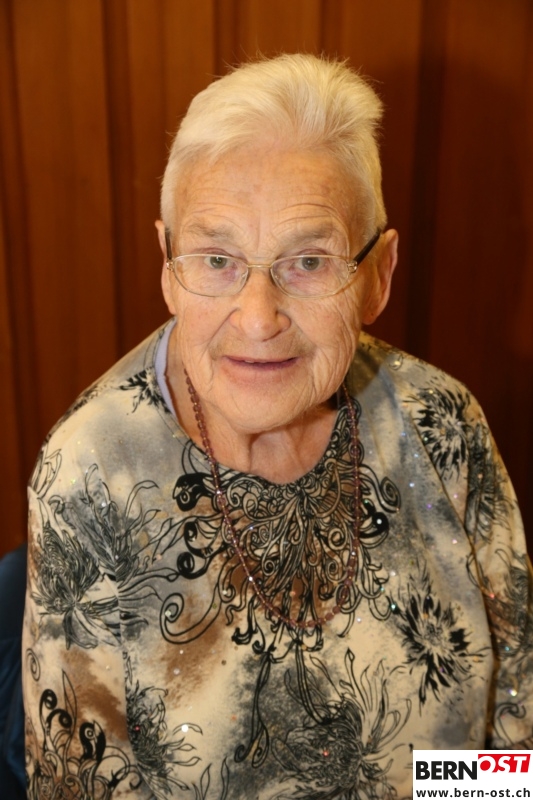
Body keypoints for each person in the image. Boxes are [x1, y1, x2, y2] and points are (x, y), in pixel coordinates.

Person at [23, 53, 532, 800]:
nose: (258, 317)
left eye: (308, 262)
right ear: (167, 265)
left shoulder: (442, 424)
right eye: (217, 258)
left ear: (377, 275)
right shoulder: (91, 469)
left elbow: (515, 726)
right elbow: (79, 783)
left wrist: (464, 792)